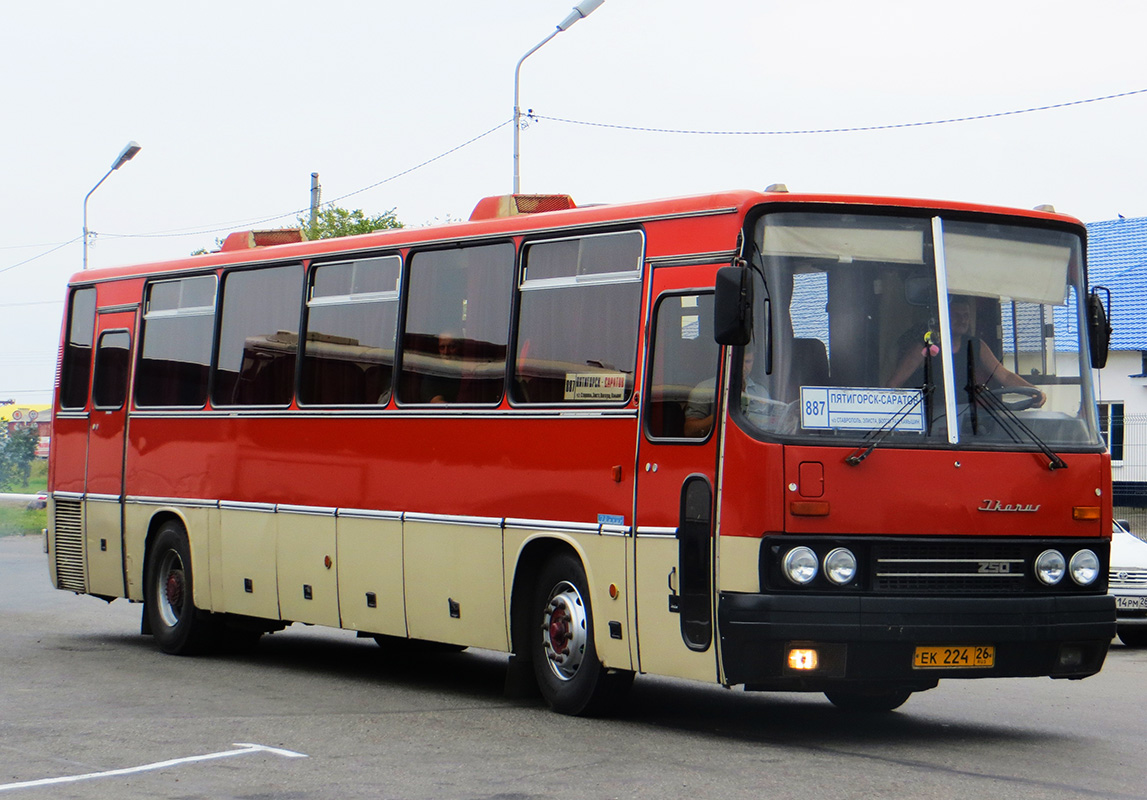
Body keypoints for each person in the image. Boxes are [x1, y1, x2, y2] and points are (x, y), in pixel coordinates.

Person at [888, 296, 1045, 407]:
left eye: (966, 316)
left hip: (966, 419)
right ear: (942, 317)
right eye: (956, 316)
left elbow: (1004, 375)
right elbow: (894, 384)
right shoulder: (925, 347)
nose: (962, 320)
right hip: (931, 418)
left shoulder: (976, 345)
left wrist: (1033, 391)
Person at [684, 348, 778, 436]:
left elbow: (772, 425)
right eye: (738, 361)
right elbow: (689, 430)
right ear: (728, 359)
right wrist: (722, 414)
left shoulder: (761, 392)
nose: (743, 367)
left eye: (748, 362)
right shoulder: (704, 389)